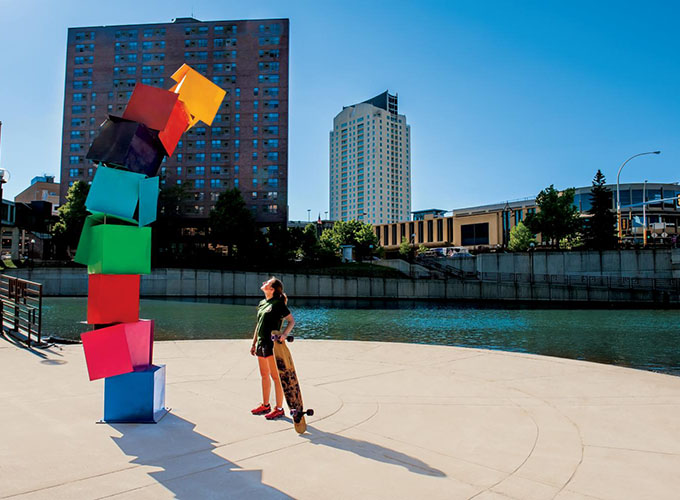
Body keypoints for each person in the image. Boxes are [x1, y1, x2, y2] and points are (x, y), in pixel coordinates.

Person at [250, 277, 295, 420]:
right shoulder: (262, 303)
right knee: (264, 375)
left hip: (272, 344)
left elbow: (291, 321)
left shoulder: (278, 304)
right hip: (261, 344)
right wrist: (253, 343)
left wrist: (284, 334)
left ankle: (279, 408)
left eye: (267, 283)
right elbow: (259, 325)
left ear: (272, 289)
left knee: (276, 377)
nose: (264, 284)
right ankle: (265, 405)